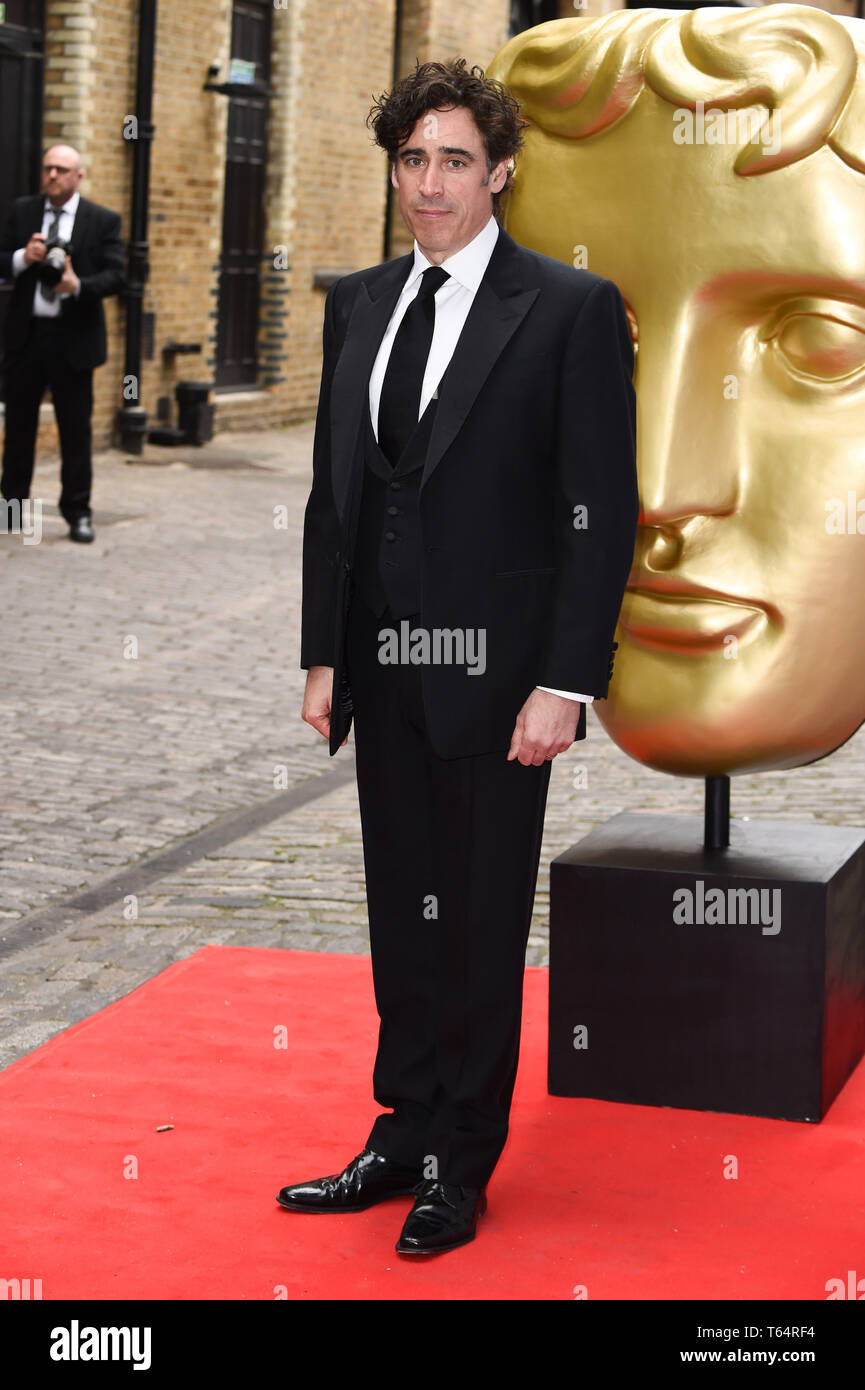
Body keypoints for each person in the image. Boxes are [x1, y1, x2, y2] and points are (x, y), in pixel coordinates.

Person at [278, 59, 639, 1255]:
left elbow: (599, 505)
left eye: (451, 162)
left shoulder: (568, 312)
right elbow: (338, 494)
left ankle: (458, 1160)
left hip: (501, 677)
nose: (428, 185)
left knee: (479, 919)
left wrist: (565, 680)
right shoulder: (361, 301)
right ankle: (402, 1126)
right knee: (403, 905)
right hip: (384, 666)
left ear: (500, 174)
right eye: (411, 161)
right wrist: (324, 656)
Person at [0, 145, 126, 542]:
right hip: (26, 337)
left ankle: (78, 513)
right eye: (48, 168)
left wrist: (78, 286)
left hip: (73, 340)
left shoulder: (102, 220)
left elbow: (118, 275)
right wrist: (24, 256)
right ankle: (11, 509)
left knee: (76, 431)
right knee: (19, 428)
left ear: (78, 176)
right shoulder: (22, 211)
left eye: (61, 169)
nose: (52, 175)